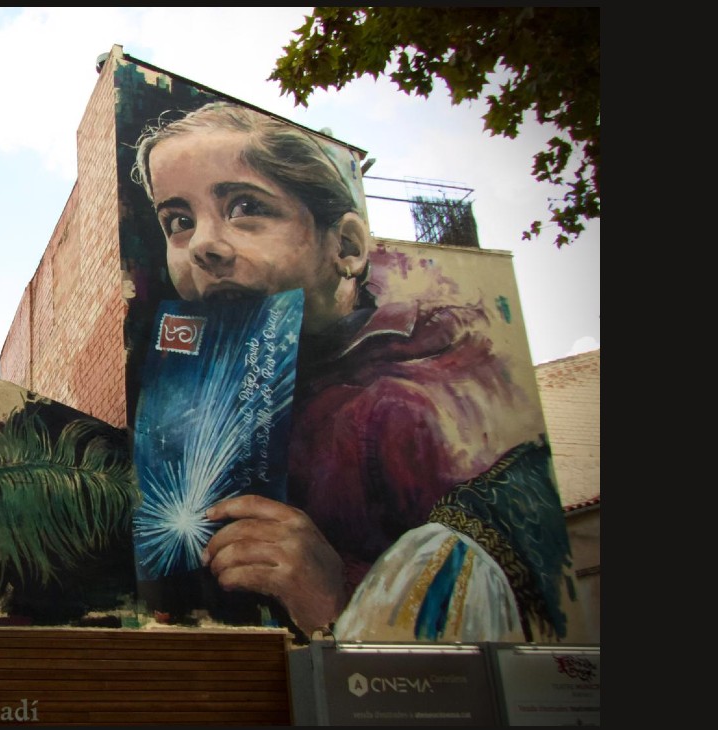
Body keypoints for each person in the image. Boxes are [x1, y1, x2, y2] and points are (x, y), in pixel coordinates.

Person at [128, 101, 572, 642]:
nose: (202, 246)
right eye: (179, 222)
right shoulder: (212, 390)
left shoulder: (415, 409)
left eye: (245, 207)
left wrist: (333, 595)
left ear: (346, 246)